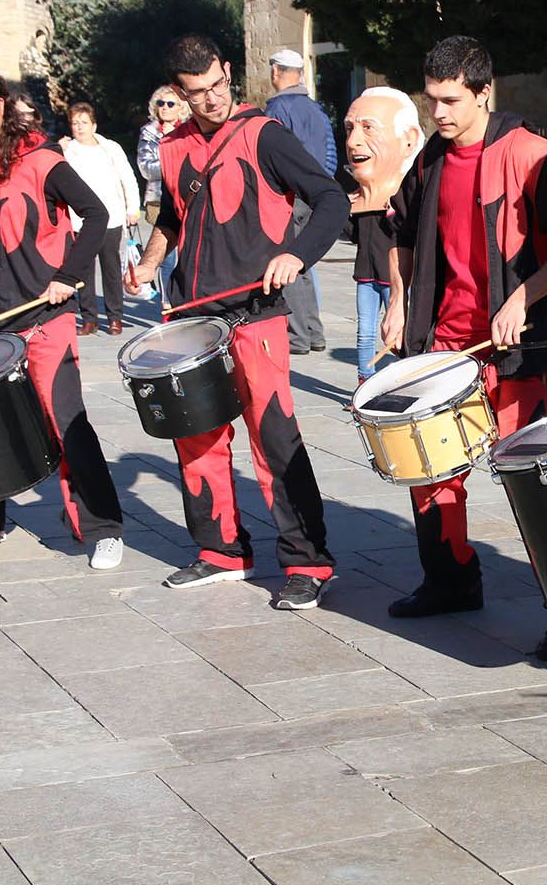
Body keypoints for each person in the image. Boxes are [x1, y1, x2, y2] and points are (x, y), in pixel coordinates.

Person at [382, 35, 547, 661]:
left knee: (530, 479)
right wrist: (399, 301)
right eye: (432, 101)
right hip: (442, 348)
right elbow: (399, 230)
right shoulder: (430, 158)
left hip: (511, 351)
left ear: (485, 92)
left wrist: (523, 298)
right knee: (430, 474)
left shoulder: (534, 154)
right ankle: (450, 581)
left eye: (451, 101)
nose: (439, 114)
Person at [124, 34, 349, 611]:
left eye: (219, 85)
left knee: (273, 439)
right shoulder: (172, 147)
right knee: (196, 437)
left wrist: (297, 254)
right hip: (191, 317)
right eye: (197, 94)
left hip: (256, 315)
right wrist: (149, 261)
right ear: (178, 92)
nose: (212, 100)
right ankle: (221, 550)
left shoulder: (263, 134)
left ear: (228, 71)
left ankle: (308, 562)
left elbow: (331, 199)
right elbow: (175, 213)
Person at [0, 62, 129, 570]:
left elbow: (97, 214)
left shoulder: (40, 157)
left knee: (66, 420)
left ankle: (102, 526)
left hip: (44, 315)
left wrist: (68, 276)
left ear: (3, 102)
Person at [342, 87, 419, 382]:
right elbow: (353, 235)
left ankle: (405, 378)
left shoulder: (406, 197)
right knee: (365, 331)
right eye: (349, 129)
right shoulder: (358, 199)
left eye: (368, 127)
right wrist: (343, 210)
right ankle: (365, 378)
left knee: (399, 327)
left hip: (393, 277)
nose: (353, 141)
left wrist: (393, 211)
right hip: (365, 273)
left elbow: (406, 235)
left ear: (409, 141)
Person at [265, 48, 334, 356]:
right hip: (317, 193)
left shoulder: (278, 109)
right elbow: (331, 152)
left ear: (276, 73)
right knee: (303, 264)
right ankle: (314, 332)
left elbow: (271, 156)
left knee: (288, 262)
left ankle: (297, 337)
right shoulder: (316, 110)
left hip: (292, 195)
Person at [61, 102, 139, 335]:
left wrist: (132, 207)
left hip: (111, 216)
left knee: (111, 268)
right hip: (79, 219)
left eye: (84, 122)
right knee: (83, 270)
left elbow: (127, 176)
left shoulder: (110, 148)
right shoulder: (67, 150)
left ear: (94, 125)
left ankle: (115, 317)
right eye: (75, 123)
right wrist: (58, 148)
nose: (79, 127)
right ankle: (89, 318)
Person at [138, 86, 188, 301]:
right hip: (159, 198)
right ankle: (168, 304)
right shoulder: (149, 132)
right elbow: (146, 167)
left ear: (181, 108)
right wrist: (173, 160)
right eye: (161, 103)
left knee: (186, 251)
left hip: (187, 196)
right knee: (166, 256)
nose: (165, 108)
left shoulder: (189, 131)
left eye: (170, 104)